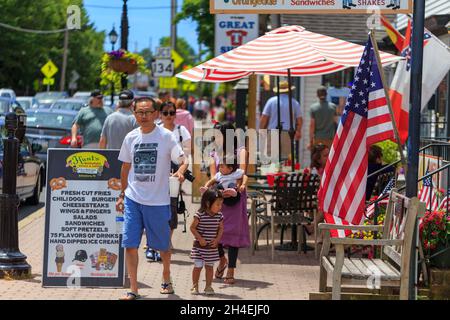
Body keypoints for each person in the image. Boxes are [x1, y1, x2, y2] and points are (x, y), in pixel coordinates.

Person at [116, 96, 187, 300]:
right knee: (130, 244)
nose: (144, 116)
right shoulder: (130, 137)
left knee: (163, 246)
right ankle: (133, 289)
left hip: (158, 201)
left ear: (156, 114)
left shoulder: (166, 136)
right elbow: (125, 167)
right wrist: (122, 194)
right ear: (134, 113)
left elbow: (183, 161)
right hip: (133, 199)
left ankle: (166, 276)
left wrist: (180, 171)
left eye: (148, 112)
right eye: (140, 112)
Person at [209, 121, 250, 285]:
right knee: (214, 230)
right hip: (218, 197)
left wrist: (236, 187)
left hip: (234, 197)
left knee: (233, 232)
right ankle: (222, 260)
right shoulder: (213, 154)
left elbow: (241, 174)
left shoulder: (241, 152)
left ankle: (231, 269)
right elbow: (213, 176)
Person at [155, 101, 191, 253]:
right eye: (165, 113)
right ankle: (157, 239)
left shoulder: (181, 130)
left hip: (176, 172)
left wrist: (181, 171)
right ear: (160, 114)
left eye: (172, 113)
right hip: (157, 172)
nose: (169, 116)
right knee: (156, 206)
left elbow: (187, 153)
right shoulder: (155, 130)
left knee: (171, 206)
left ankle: (167, 239)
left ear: (175, 114)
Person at [189, 188, 224, 295]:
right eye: (217, 204)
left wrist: (217, 240)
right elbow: (192, 228)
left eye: (221, 204)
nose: (220, 207)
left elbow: (221, 228)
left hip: (211, 248)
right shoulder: (199, 215)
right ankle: (195, 286)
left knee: (209, 267)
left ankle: (208, 286)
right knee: (198, 267)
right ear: (208, 203)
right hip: (199, 247)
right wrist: (200, 239)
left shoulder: (219, 216)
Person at [260, 81, 303, 160]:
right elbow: (299, 120)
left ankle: (272, 172)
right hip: (288, 132)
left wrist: (262, 131)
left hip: (273, 132)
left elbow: (264, 118)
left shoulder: (271, 101)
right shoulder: (294, 102)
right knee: (286, 158)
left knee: (271, 158)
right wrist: (298, 131)